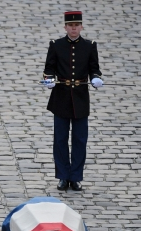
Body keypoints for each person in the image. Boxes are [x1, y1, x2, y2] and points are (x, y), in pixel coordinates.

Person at [42, 11, 102, 191]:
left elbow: (95, 69)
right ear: (65, 27)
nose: (74, 28)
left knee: (79, 139)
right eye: (70, 25)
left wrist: (96, 78)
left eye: (77, 25)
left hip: (81, 99)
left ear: (81, 26)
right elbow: (49, 68)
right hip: (60, 97)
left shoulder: (90, 46)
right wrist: (49, 79)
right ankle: (62, 176)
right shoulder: (56, 45)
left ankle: (75, 177)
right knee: (60, 139)